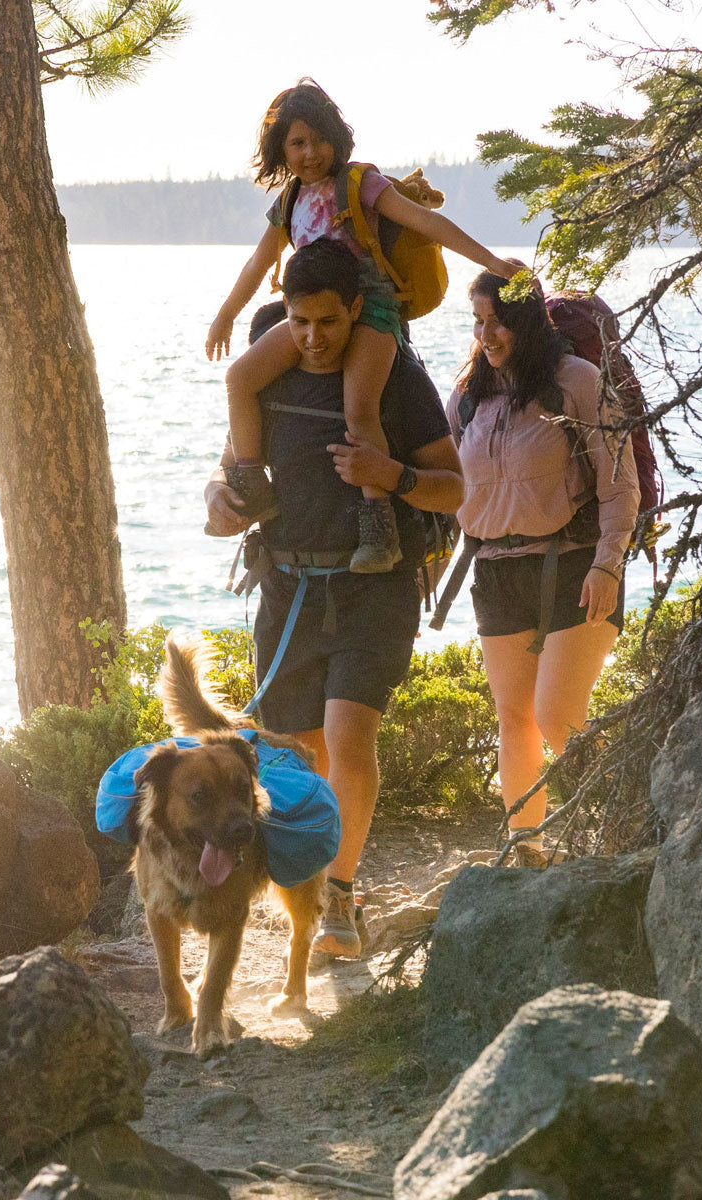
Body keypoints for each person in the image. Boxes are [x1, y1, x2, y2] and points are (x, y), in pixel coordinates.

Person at [204, 237, 464, 956]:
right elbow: (227, 470)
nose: (314, 339)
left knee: (349, 738)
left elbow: (456, 487)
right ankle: (313, 889)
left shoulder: (395, 377)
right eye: (300, 322)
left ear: (356, 307)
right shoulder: (269, 372)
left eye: (329, 322)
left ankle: (340, 897)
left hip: (372, 586)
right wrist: (219, 501)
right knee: (298, 751)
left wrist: (392, 474)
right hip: (286, 585)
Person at [205, 79, 514, 573]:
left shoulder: (360, 183)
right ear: (280, 148)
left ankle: (378, 525)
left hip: (368, 311)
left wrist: (491, 260)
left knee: (358, 407)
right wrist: (225, 315)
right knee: (239, 378)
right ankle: (251, 486)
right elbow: (261, 263)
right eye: (297, 143)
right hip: (311, 312)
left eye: (319, 139)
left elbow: (425, 223)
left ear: (337, 138)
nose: (310, 153)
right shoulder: (289, 201)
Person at [447, 269, 640, 868]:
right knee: (514, 718)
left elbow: (620, 483)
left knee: (556, 712)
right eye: (478, 322)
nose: (487, 334)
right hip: (496, 570)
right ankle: (525, 850)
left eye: (497, 320)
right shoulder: (466, 396)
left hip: (575, 564)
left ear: (528, 319)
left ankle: (629, 818)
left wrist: (609, 563)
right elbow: (449, 487)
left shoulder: (577, 382)